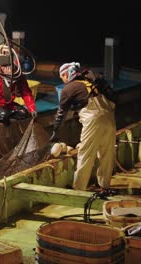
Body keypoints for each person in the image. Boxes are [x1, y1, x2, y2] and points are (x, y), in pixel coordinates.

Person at [50, 62, 116, 191]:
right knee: (107, 153)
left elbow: (61, 113)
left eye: (62, 77)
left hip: (93, 119)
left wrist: (55, 131)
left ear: (66, 74)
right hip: (109, 116)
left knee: (86, 153)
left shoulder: (68, 88)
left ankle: (79, 188)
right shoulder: (90, 82)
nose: (63, 80)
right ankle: (105, 186)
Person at [0, 46, 37, 124]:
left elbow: (26, 92)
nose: (10, 70)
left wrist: (32, 108)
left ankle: (6, 114)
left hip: (7, 104)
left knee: (23, 113)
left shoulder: (19, 76)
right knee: (3, 115)